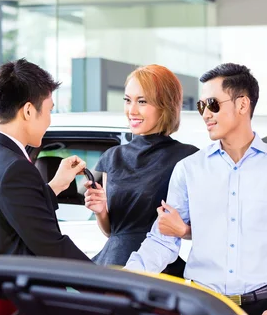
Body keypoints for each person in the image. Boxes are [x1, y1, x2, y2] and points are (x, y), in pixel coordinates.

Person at [125, 63, 267, 315]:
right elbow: (162, 241)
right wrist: (126, 277)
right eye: (201, 105)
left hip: (264, 313)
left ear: (243, 104)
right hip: (203, 312)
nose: (205, 114)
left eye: (213, 104)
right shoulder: (189, 169)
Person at [0, 58, 90, 262]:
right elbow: (53, 248)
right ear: (28, 111)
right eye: (50, 110)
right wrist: (111, 287)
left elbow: (18, 212)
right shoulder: (15, 168)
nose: (50, 119)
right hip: (21, 290)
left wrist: (55, 186)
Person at [83, 64, 198, 275]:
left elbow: (210, 229)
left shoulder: (189, 158)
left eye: (142, 101)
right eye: (127, 100)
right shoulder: (112, 157)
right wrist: (101, 211)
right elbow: (112, 232)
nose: (131, 110)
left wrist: (183, 231)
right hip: (112, 264)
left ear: (166, 105)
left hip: (159, 270)